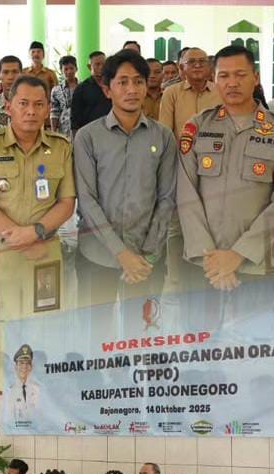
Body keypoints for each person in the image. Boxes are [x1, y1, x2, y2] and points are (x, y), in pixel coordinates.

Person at [176, 44, 274, 292]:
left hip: (256, 266)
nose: (232, 82)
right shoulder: (196, 127)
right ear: (214, 79)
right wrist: (211, 259)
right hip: (204, 265)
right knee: (198, 331)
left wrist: (238, 254)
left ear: (255, 78)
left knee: (255, 332)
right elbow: (185, 191)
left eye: (240, 75)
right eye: (224, 75)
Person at [0, 76, 76, 319]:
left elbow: (67, 203)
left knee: (45, 327)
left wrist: (35, 233)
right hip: (0, 252)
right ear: (8, 107)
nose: (31, 111)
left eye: (39, 105)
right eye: (23, 103)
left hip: (44, 252)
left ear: (48, 108)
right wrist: (23, 239)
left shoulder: (61, 147)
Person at [73, 50, 176, 305]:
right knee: (95, 338)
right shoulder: (88, 137)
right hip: (97, 256)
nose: (132, 89)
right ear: (107, 90)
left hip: (147, 259)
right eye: (122, 82)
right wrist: (122, 255)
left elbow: (167, 198)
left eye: (138, 81)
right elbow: (87, 201)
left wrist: (148, 255)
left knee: (142, 335)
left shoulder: (163, 137)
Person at [159, 47, 219, 139]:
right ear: (182, 67)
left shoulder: (220, 92)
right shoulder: (171, 93)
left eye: (202, 61)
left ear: (209, 67)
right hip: (180, 152)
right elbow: (165, 132)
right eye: (191, 62)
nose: (197, 65)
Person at [67, 51, 111, 134]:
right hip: (89, 135)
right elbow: (75, 120)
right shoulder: (81, 89)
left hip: (112, 133)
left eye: (104, 64)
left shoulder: (113, 86)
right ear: (89, 66)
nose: (101, 67)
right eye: (97, 64)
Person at [5, 345, 41, 428]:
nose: (24, 366)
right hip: (18, 432)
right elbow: (9, 421)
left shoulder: (38, 389)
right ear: (15, 367)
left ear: (31, 367)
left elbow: (42, 416)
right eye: (21, 363)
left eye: (27, 363)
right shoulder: (10, 391)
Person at [50, 55, 78, 135]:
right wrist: (53, 132)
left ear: (76, 69)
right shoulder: (56, 90)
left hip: (81, 129)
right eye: (65, 69)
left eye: (71, 68)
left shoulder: (84, 87)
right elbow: (54, 112)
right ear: (61, 71)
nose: (69, 72)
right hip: (64, 130)